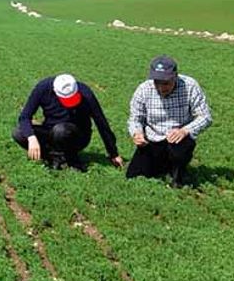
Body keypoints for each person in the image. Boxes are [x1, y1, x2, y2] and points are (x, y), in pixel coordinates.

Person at [126, 55, 212, 187]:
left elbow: (205, 117)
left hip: (178, 139)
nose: (161, 87)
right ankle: (164, 165)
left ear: (175, 76)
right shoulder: (143, 89)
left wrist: (184, 131)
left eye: (166, 83)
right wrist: (137, 133)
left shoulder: (190, 86)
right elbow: (135, 118)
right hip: (153, 138)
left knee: (179, 151)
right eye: (157, 82)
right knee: (134, 175)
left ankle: (178, 175)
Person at [12, 74, 124, 170]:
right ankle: (54, 156)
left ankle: (69, 159)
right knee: (19, 132)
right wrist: (31, 137)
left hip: (77, 135)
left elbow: (101, 122)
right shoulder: (42, 89)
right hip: (51, 130)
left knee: (61, 130)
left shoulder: (86, 93)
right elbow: (24, 117)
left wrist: (113, 153)